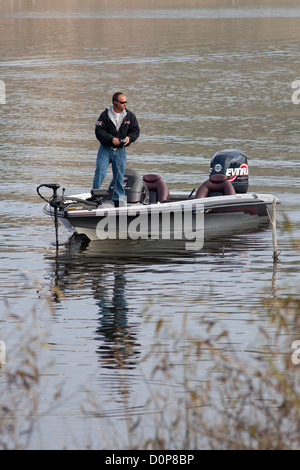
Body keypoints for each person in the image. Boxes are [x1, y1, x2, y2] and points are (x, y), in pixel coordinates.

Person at [92, 92, 140, 206]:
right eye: (123, 102)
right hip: (105, 149)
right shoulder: (105, 115)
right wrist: (111, 139)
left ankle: (118, 198)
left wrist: (129, 138)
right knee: (100, 171)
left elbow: (136, 131)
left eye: (126, 102)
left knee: (119, 175)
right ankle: (96, 196)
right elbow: (99, 131)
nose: (125, 104)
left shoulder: (129, 116)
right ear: (115, 103)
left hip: (120, 150)